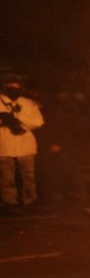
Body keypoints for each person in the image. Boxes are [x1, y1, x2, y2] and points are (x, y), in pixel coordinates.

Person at [0, 72, 45, 212]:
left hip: (25, 145)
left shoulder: (28, 103)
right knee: (6, 177)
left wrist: (19, 121)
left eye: (17, 86)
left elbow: (39, 122)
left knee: (28, 175)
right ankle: (10, 203)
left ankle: (29, 201)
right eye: (10, 86)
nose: (14, 88)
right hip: (4, 145)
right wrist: (4, 120)